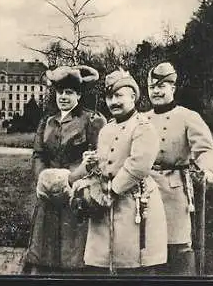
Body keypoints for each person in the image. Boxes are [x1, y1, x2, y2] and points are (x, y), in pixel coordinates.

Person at [72, 69, 168, 275]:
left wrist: (111, 191)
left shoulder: (143, 127)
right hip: (105, 204)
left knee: (132, 264)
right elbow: (105, 164)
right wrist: (92, 168)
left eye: (118, 95)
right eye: (109, 97)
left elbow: (138, 164)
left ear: (133, 96)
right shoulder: (107, 128)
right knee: (101, 263)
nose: (113, 102)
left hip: (135, 204)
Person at [23, 65, 106, 274]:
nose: (63, 97)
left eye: (69, 92)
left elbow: (99, 158)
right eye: (60, 92)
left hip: (75, 193)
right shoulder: (47, 122)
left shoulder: (92, 120)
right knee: (44, 251)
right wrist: (43, 178)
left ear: (78, 94)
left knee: (73, 253)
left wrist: (75, 177)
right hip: (49, 194)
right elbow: (38, 154)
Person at [145, 62, 213, 275]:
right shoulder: (142, 119)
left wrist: (208, 171)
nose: (156, 92)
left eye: (162, 87)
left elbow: (204, 150)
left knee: (178, 246)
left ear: (173, 88)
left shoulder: (188, 117)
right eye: (152, 87)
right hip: (146, 190)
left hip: (175, 190)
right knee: (148, 246)